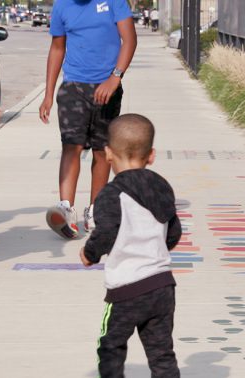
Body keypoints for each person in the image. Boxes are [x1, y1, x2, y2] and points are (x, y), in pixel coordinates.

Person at [80, 114, 182, 378]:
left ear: (109, 154)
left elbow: (106, 232)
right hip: (162, 285)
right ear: (151, 155)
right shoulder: (162, 188)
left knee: (111, 347)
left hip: (126, 290)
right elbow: (173, 232)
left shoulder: (111, 194)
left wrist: (89, 253)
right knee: (162, 354)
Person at [39, 0, 137, 239]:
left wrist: (114, 78)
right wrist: (48, 94)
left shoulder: (114, 2)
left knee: (102, 150)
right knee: (71, 144)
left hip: (108, 87)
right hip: (73, 86)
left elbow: (130, 40)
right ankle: (65, 208)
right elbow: (57, 48)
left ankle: (95, 209)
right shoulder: (62, 6)